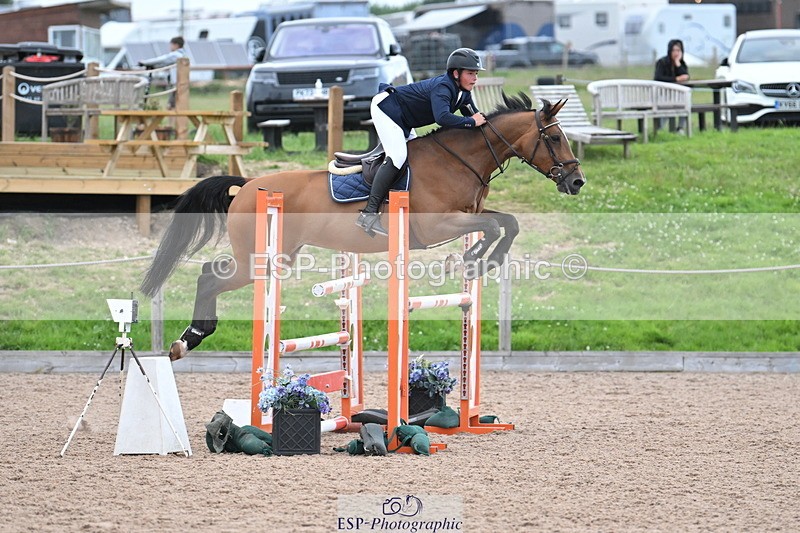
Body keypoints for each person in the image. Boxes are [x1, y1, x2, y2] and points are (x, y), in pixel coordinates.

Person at [355, 47, 487, 237]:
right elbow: (443, 118)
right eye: (470, 73)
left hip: (405, 118)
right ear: (456, 73)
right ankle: (369, 213)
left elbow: (475, 118)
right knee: (398, 156)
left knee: (417, 157)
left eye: (475, 74)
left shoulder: (463, 92)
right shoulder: (444, 87)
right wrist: (471, 121)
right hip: (387, 108)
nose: (474, 78)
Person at [138, 36, 186, 109]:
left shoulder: (175, 55)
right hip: (180, 82)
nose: (170, 47)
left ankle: (174, 119)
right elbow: (164, 63)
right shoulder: (183, 54)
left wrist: (145, 62)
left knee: (171, 105)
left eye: (171, 45)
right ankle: (175, 119)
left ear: (176, 45)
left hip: (176, 83)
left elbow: (162, 60)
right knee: (175, 104)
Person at [654, 39, 690, 132]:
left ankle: (680, 128)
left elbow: (685, 76)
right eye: (674, 50)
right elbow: (658, 78)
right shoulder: (662, 62)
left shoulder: (682, 64)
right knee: (668, 106)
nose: (676, 53)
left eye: (678, 50)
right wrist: (675, 79)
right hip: (663, 94)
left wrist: (678, 64)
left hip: (677, 96)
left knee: (685, 102)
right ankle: (660, 130)